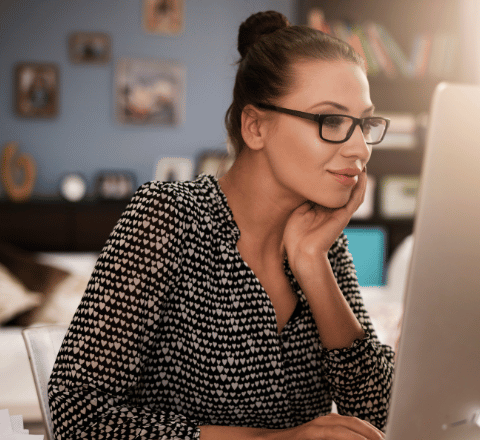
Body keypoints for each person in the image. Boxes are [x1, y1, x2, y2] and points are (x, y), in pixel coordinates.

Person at [49, 10, 394, 440]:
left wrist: (312, 264)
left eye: (364, 123)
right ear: (255, 127)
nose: (360, 148)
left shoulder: (323, 240)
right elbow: (76, 414)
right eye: (333, 121)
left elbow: (379, 414)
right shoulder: (168, 217)